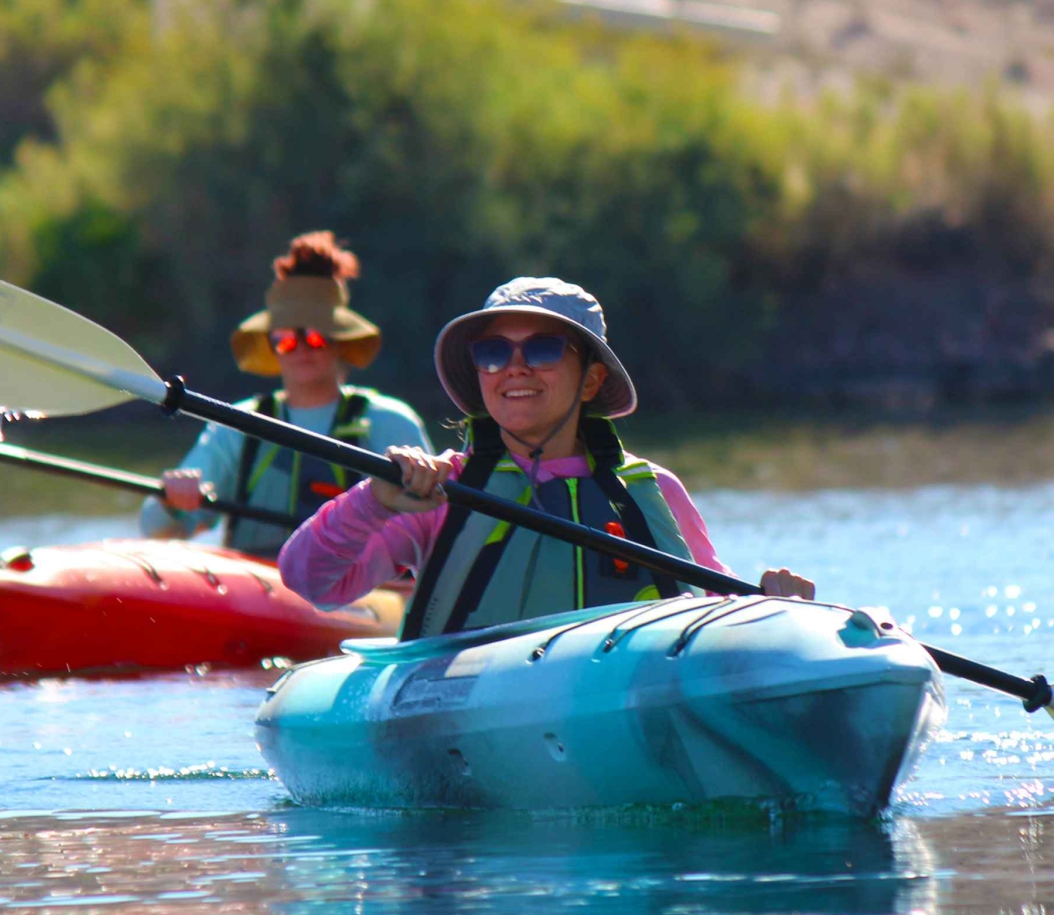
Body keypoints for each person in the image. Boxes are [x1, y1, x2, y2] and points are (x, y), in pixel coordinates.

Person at [278, 276, 814, 639]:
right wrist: (373, 501)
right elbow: (308, 582)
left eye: (542, 349)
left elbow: (717, 613)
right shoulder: (439, 492)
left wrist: (773, 605)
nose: (515, 368)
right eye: (493, 353)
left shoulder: (654, 489)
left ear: (592, 380)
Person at [140, 231, 431, 556]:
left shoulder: (390, 422)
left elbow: (431, 527)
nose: (301, 348)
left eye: (315, 336)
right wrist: (171, 500)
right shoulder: (237, 424)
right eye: (286, 338)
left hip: (358, 582)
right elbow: (154, 529)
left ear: (339, 340)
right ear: (272, 345)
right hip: (255, 580)